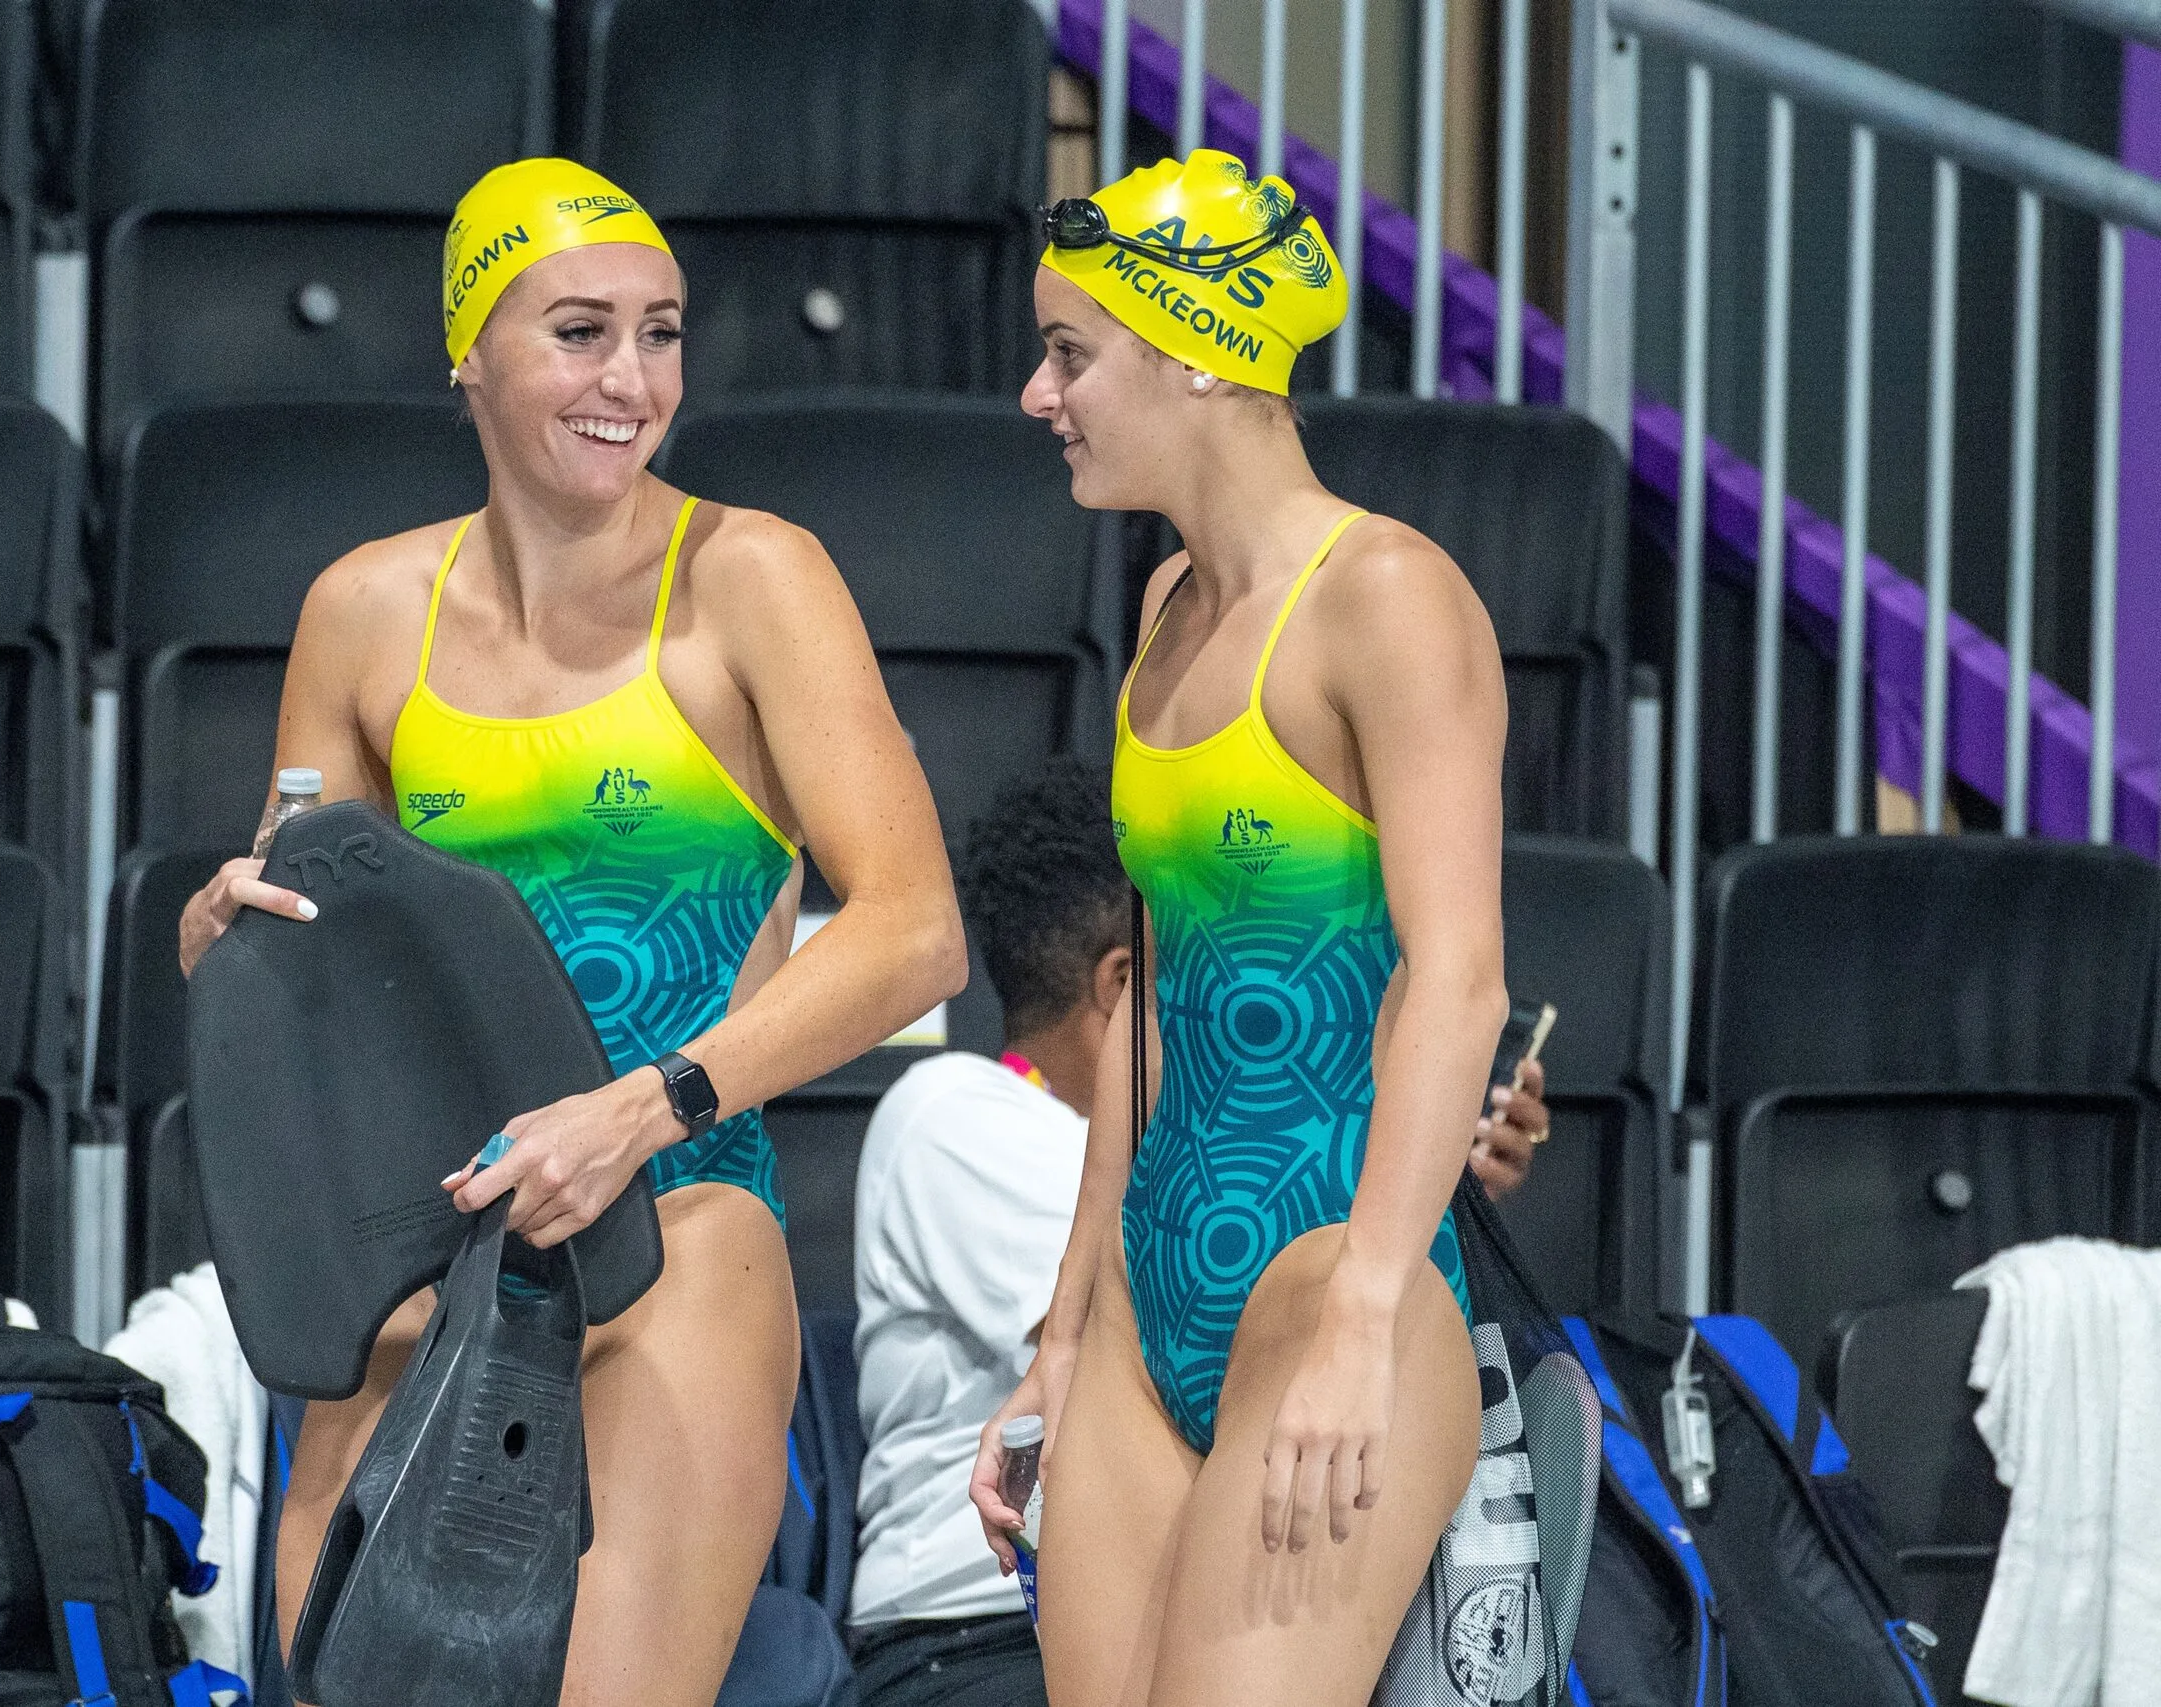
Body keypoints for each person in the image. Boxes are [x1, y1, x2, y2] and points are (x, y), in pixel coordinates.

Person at [177, 158, 967, 1704]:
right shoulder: (364, 607)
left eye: (661, 333)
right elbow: (319, 975)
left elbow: (917, 933)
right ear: (468, 348)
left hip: (681, 1228)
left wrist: (640, 1108)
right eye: (582, 331)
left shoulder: (754, 576)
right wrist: (226, 946)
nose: (632, 379)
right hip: (424, 1257)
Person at [972, 150, 1512, 1705]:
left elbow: (1458, 976)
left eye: (1070, 353)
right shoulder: (1161, 609)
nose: (1035, 393)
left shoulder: (1389, 597)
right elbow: (1151, 997)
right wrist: (1068, 1329)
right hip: (1154, 1304)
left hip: (1334, 1277)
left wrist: (1364, 1318)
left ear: (1197, 351)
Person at [856, 760, 1544, 1707]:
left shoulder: (1185, 1165)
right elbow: (1163, 1277)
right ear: (1127, 979)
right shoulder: (952, 1109)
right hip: (955, 1627)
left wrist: (1436, 1163)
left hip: (1164, 1542)